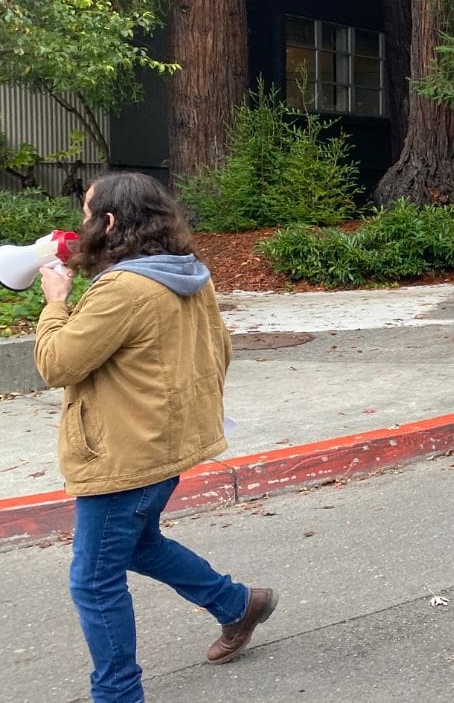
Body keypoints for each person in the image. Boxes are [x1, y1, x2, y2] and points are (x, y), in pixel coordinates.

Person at [34, 172, 275, 701]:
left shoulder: (123, 288)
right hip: (165, 445)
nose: (82, 224)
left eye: (87, 213)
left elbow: (56, 364)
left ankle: (118, 694)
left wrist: (55, 301)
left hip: (124, 455)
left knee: (94, 581)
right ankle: (238, 604)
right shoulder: (189, 273)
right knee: (139, 545)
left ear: (111, 222)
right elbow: (222, 352)